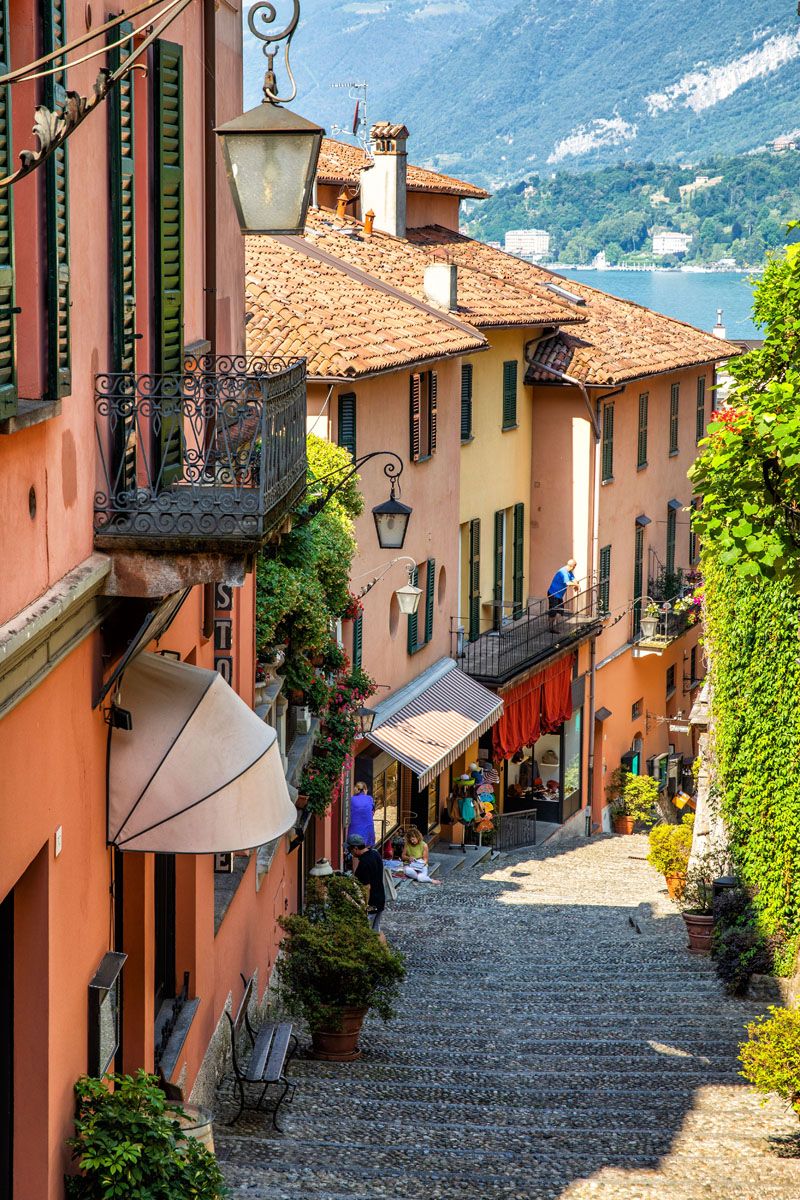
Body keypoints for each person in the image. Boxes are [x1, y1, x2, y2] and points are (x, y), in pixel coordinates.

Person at [347, 834, 386, 931]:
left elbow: (366, 887)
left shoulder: (364, 862)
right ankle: (381, 946)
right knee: (376, 930)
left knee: (367, 931)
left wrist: (365, 907)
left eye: (349, 849)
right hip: (380, 899)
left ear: (355, 848)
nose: (349, 852)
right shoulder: (375, 853)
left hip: (371, 903)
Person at [547, 558, 579, 632]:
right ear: (572, 566)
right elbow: (568, 583)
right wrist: (576, 585)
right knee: (553, 612)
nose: (574, 568)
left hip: (558, 595)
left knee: (560, 611)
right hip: (553, 594)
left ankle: (554, 624)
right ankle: (551, 627)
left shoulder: (569, 572)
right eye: (574, 567)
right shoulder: (563, 572)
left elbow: (574, 580)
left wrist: (576, 585)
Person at [347, 781, 376, 847]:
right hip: (368, 831)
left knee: (354, 849)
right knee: (367, 850)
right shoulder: (369, 799)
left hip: (354, 831)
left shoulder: (351, 799)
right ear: (365, 790)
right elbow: (372, 812)